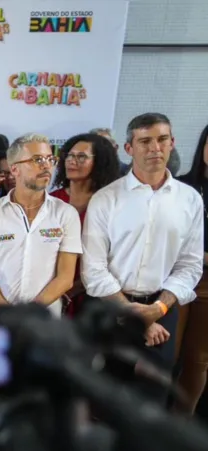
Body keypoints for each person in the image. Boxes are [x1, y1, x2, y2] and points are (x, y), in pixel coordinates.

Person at [0, 133, 82, 451]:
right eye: (37, 160)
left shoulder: (65, 214)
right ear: (14, 169)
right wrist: (6, 314)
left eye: (49, 159)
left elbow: (66, 277)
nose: (47, 166)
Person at [82, 113, 204, 404]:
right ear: (129, 149)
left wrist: (159, 307)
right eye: (145, 141)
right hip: (114, 306)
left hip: (163, 308)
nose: (155, 148)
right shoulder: (106, 199)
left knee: (153, 396)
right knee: (107, 394)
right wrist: (136, 314)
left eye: (162, 139)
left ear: (172, 143)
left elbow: (190, 264)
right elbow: (93, 269)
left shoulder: (189, 200)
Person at [51, 133, 121, 315]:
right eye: (69, 155)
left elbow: (112, 258)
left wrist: (74, 289)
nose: (72, 161)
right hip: (50, 292)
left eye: (81, 157)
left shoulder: (110, 205)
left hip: (94, 296)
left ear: (100, 163)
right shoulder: (52, 201)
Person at [175, 123, 208, 414]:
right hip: (173, 276)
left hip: (207, 285)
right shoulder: (182, 186)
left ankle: (181, 421)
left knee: (197, 358)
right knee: (164, 354)